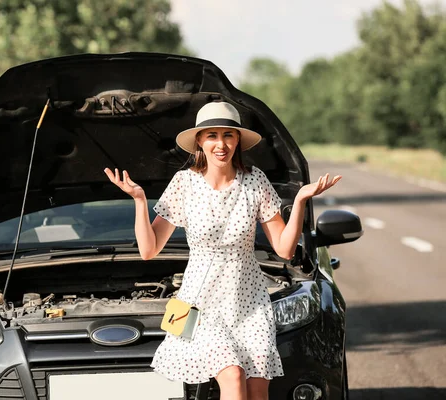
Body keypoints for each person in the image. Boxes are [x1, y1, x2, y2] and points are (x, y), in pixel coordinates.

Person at [104, 101, 340, 400]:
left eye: (228, 135)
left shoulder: (255, 182)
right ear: (199, 141)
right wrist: (139, 201)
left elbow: (284, 249)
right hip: (200, 304)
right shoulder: (184, 183)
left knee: (257, 389)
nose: (221, 143)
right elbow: (149, 250)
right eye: (212, 135)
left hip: (250, 303)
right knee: (232, 374)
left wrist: (302, 200)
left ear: (238, 140)